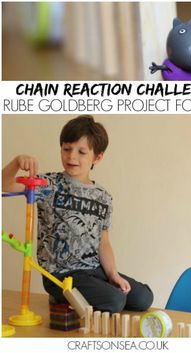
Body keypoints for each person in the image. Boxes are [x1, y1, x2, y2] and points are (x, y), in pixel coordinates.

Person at [2, 115, 153, 313]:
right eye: (66, 149)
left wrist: (113, 274)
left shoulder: (103, 197)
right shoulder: (48, 184)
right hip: (60, 274)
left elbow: (104, 242)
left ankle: (86, 296)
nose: (72, 157)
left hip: (93, 271)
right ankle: (60, 296)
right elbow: (3, 185)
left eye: (81, 152)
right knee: (115, 301)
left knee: (143, 297)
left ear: (97, 157)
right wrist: (15, 162)